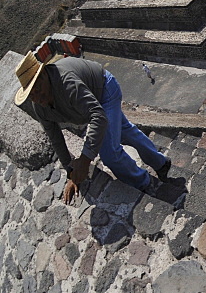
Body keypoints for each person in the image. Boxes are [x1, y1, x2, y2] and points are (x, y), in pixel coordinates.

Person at [14, 51, 172, 202]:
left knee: (110, 153)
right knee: (125, 132)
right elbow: (56, 138)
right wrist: (71, 172)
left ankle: (144, 184)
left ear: (44, 76)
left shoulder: (66, 83)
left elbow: (98, 116)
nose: (36, 97)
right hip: (91, 105)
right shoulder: (40, 108)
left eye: (37, 89)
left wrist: (84, 161)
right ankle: (161, 163)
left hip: (104, 90)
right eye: (31, 95)